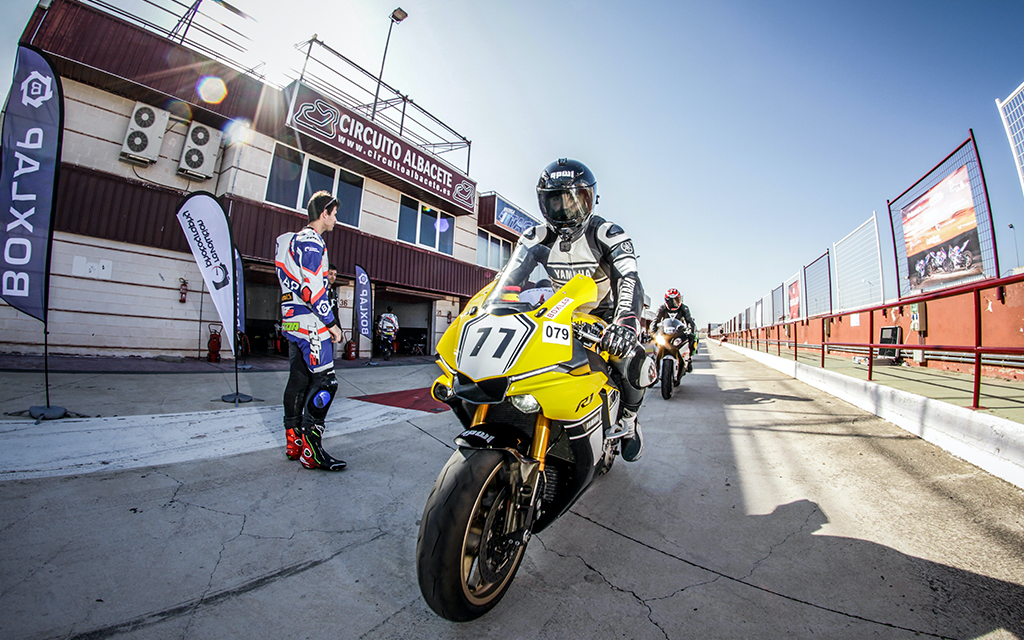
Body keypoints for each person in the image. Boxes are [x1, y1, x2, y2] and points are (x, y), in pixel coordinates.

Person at [504, 158, 651, 462]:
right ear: (544, 204)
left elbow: (628, 278)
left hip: (606, 317)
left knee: (633, 360)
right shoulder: (536, 238)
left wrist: (625, 322)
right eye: (556, 201)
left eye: (573, 199)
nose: (566, 209)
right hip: (562, 315)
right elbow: (508, 279)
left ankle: (628, 420)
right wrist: (496, 306)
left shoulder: (607, 233)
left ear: (590, 199)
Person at [275, 191, 347, 471]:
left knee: (299, 380)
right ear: (324, 213)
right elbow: (313, 289)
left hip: (292, 320)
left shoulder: (292, 241)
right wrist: (332, 325)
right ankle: (312, 451)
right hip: (311, 323)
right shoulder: (311, 241)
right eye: (334, 213)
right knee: (327, 382)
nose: (336, 219)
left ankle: (294, 443)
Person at [651, 288, 697, 371]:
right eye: (670, 301)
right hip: (665, 332)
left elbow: (689, 321)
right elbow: (655, 320)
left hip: (679, 331)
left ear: (679, 299)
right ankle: (654, 363)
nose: (673, 303)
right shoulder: (662, 308)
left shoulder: (684, 308)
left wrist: (691, 331)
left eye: (676, 300)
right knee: (655, 343)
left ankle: (689, 359)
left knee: (693, 339)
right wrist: (652, 332)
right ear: (666, 301)